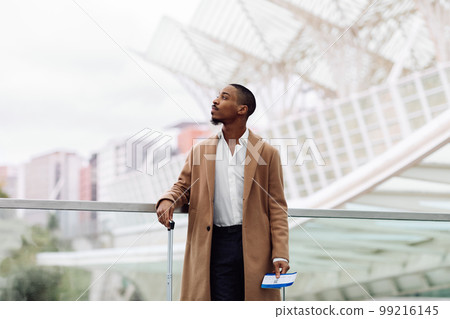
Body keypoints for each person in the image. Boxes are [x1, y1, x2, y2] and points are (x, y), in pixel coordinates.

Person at [156, 84, 289, 301]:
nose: (215, 101)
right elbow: (183, 187)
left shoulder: (267, 153)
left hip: (254, 246)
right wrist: (168, 199)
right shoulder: (201, 150)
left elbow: (277, 207)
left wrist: (280, 253)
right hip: (213, 245)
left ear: (242, 109)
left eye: (224, 97)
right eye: (217, 96)